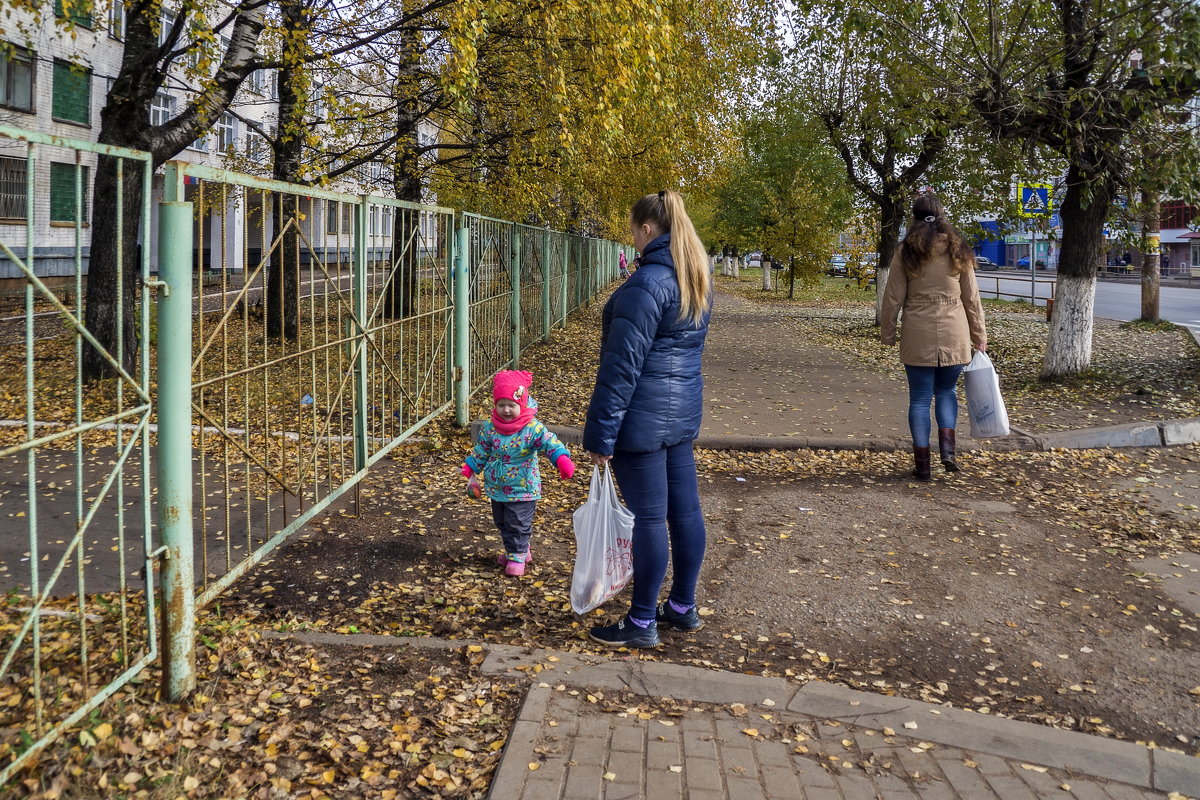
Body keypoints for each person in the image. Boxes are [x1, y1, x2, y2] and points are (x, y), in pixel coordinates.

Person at [583, 190, 712, 649]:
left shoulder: (644, 286)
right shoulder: (694, 278)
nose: (632, 238)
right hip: (679, 417)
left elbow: (621, 371)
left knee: (649, 520)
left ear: (647, 229)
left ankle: (641, 622)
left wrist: (600, 435)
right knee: (686, 512)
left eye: (632, 230)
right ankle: (681, 606)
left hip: (640, 422)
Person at [880, 194, 987, 481]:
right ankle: (949, 453)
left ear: (914, 218)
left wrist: (888, 334)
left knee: (918, 399)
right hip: (955, 333)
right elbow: (972, 299)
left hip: (917, 333)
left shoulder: (906, 252)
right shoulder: (959, 250)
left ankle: (923, 465)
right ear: (942, 217)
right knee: (947, 392)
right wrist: (980, 336)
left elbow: (892, 298)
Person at [461, 370, 575, 577]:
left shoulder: (531, 428)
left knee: (518, 523)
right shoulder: (491, 427)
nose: (506, 410)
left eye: (511, 405)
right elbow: (483, 450)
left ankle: (517, 555)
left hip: (523, 487)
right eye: (501, 404)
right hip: (497, 487)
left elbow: (549, 442)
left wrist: (561, 459)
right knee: (502, 522)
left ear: (521, 405)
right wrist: (471, 466)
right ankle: (518, 550)